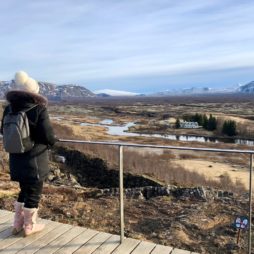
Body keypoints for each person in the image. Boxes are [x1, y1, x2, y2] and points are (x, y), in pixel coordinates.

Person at [1, 71, 57, 236]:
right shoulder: (38, 108)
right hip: (35, 160)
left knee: (24, 190)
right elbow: (47, 136)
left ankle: (17, 224)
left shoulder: (9, 108)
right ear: (34, 91)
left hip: (16, 158)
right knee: (34, 192)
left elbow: (3, 131)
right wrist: (53, 141)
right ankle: (29, 227)